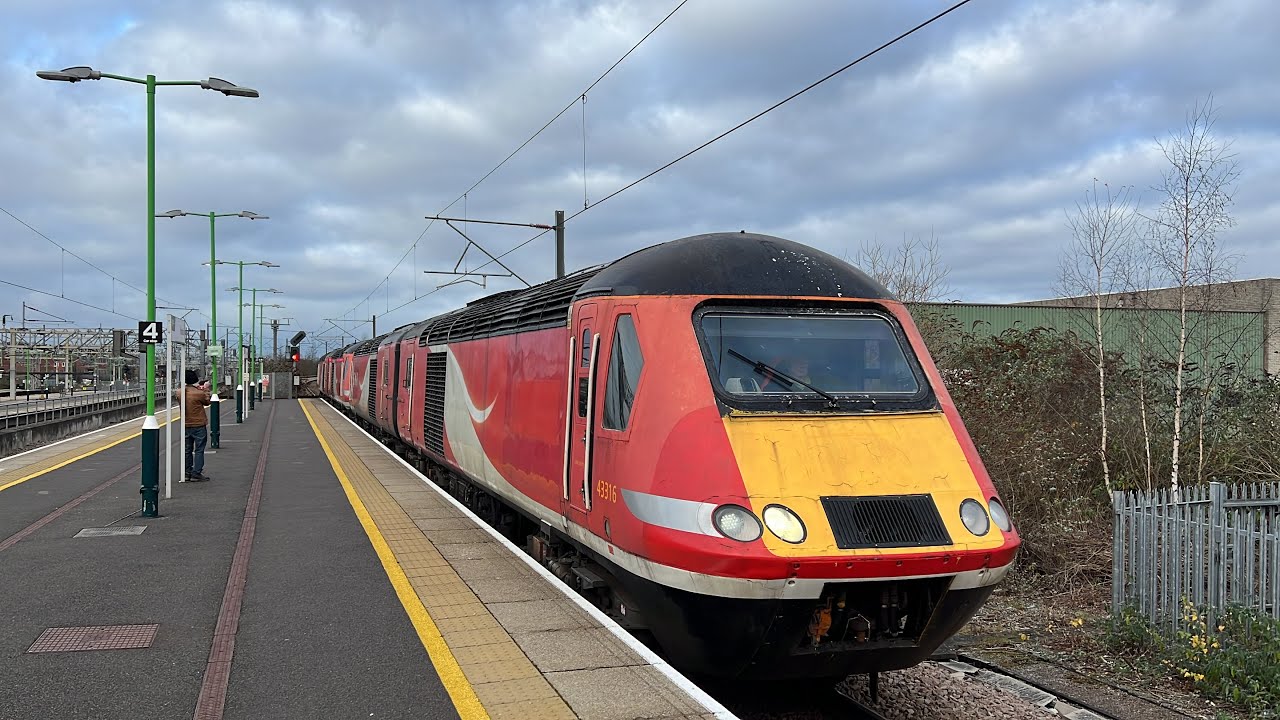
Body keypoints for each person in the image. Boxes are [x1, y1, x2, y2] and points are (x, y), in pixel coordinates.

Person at [178, 369, 212, 481]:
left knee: (187, 449)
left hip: (186, 423)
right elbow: (207, 401)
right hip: (198, 424)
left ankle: (187, 472)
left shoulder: (179, 392)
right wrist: (206, 388)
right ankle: (196, 473)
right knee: (199, 449)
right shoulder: (199, 393)